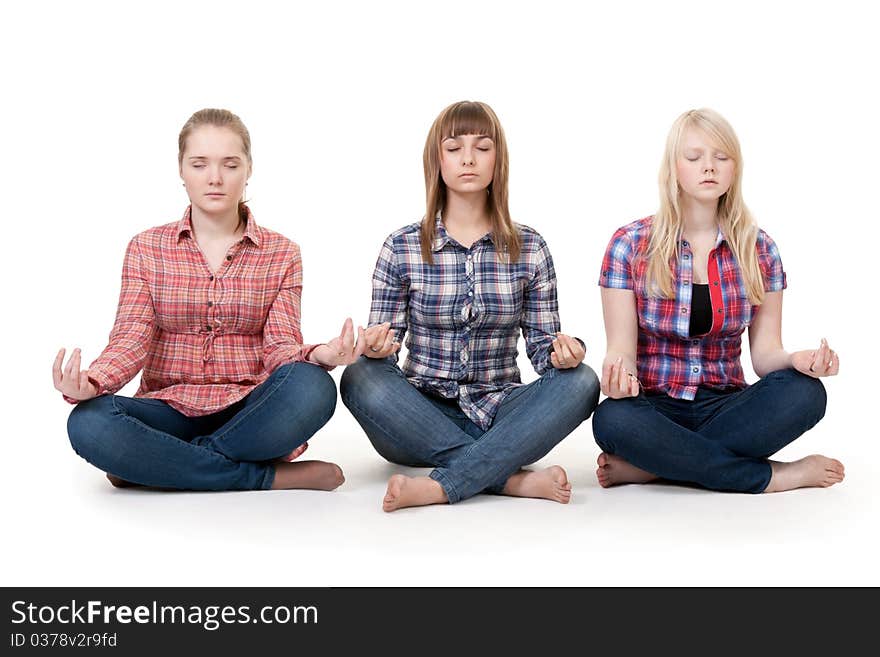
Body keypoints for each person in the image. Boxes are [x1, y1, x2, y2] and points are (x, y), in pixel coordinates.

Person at [55, 108, 363, 491]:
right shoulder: (146, 248)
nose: (215, 178)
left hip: (251, 410)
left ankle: (156, 462)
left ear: (248, 169)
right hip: (168, 407)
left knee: (314, 387)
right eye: (199, 164)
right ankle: (261, 476)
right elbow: (130, 337)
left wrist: (318, 355)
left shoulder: (283, 253)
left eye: (230, 165)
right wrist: (93, 382)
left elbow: (280, 347)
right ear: (181, 170)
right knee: (89, 422)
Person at [340, 100, 599, 512]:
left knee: (582, 381)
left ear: (498, 160)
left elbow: (542, 350)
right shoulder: (402, 246)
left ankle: (442, 485)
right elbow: (383, 346)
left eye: (482, 147)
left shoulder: (530, 247)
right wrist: (375, 347)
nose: (468, 159)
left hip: (502, 411)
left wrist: (565, 354)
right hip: (417, 415)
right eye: (454, 147)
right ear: (436, 160)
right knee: (360, 378)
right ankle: (510, 480)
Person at [592, 108, 843, 494]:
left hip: (725, 405)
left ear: (734, 169)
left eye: (721, 157)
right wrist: (618, 377)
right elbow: (621, 351)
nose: (708, 167)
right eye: (694, 158)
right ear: (674, 168)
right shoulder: (629, 244)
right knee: (611, 419)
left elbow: (765, 356)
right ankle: (776, 477)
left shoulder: (760, 249)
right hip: (655, 407)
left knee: (806, 393)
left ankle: (658, 467)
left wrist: (798, 360)